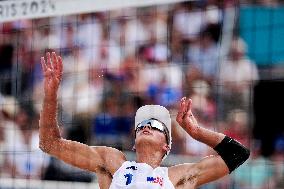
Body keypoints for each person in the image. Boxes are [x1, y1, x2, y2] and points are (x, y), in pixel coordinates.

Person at [39, 52, 250, 189]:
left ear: (166, 145)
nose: (147, 125)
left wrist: (196, 133)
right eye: (141, 125)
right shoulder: (113, 163)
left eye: (156, 125)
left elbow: (239, 154)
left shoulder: (177, 177)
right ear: (133, 141)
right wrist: (50, 95)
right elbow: (49, 143)